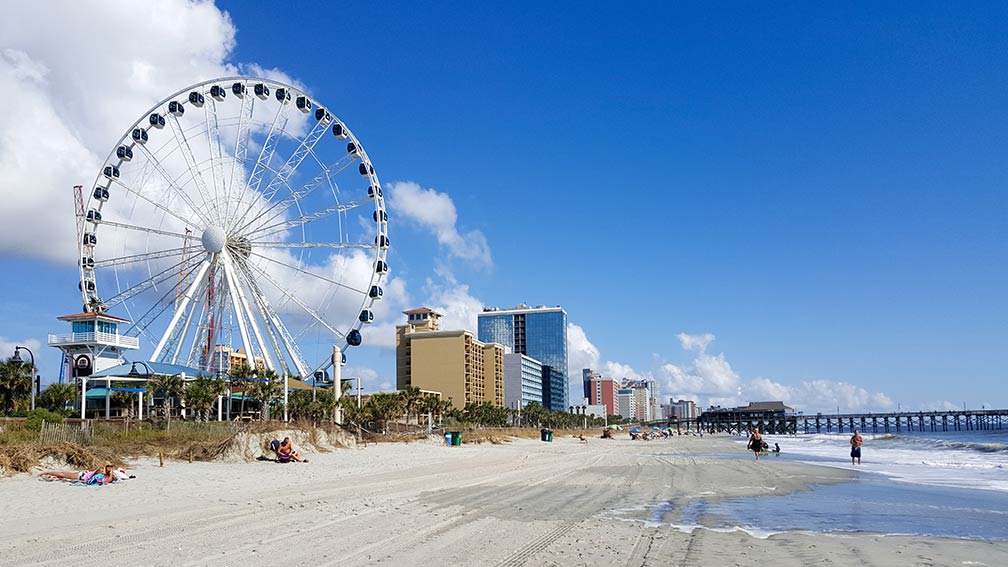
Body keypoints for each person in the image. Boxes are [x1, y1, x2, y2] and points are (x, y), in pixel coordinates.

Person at [40, 463, 115, 484]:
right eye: (109, 467)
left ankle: (49, 475)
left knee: (64, 476)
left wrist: (111, 474)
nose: (110, 468)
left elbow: (106, 481)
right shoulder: (101, 470)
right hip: (82, 475)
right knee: (63, 474)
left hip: (83, 476)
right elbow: (105, 481)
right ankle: (46, 472)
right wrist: (110, 474)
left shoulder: (106, 476)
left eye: (111, 467)